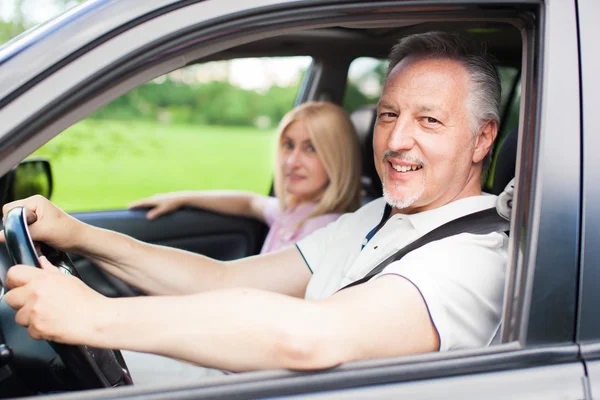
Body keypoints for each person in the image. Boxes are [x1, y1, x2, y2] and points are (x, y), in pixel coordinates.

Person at [1, 31, 507, 374]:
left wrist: (95, 316)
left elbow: (312, 335)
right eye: (389, 114)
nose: (396, 140)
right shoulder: (375, 218)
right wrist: (81, 235)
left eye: (429, 121)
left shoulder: (475, 257)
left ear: (483, 139)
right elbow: (222, 280)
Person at [128, 101, 362, 254]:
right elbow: (249, 202)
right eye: (288, 146)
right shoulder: (292, 210)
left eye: (311, 149)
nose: (291, 161)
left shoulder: (326, 228)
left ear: (337, 158)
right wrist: (181, 198)